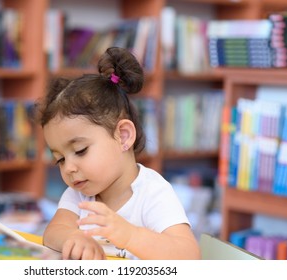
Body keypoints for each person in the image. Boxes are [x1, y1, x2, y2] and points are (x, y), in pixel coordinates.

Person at [36, 47, 200, 260]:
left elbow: (189, 256)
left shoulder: (152, 193)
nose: (69, 168)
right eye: (60, 159)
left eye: (80, 150)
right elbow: (52, 232)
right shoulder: (79, 195)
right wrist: (73, 237)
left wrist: (130, 236)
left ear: (123, 136)